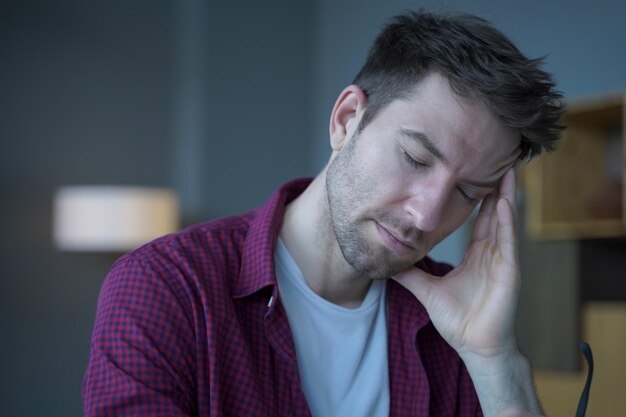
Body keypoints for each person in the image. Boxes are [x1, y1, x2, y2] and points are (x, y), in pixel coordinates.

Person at [82, 11, 564, 417]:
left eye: (467, 191)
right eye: (415, 159)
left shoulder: (454, 324)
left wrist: (493, 359)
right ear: (346, 119)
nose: (425, 215)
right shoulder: (165, 287)